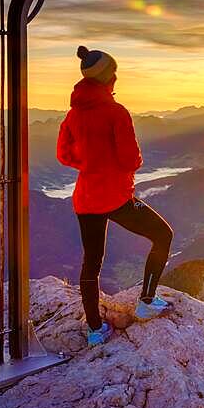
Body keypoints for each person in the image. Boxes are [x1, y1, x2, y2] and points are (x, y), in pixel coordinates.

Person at [57, 46, 174, 345]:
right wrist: (120, 164)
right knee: (163, 235)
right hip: (117, 197)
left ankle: (95, 330)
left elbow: (63, 154)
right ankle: (147, 301)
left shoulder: (72, 116)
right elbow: (130, 160)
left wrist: (89, 163)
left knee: (91, 263)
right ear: (110, 77)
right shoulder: (116, 112)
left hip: (86, 198)